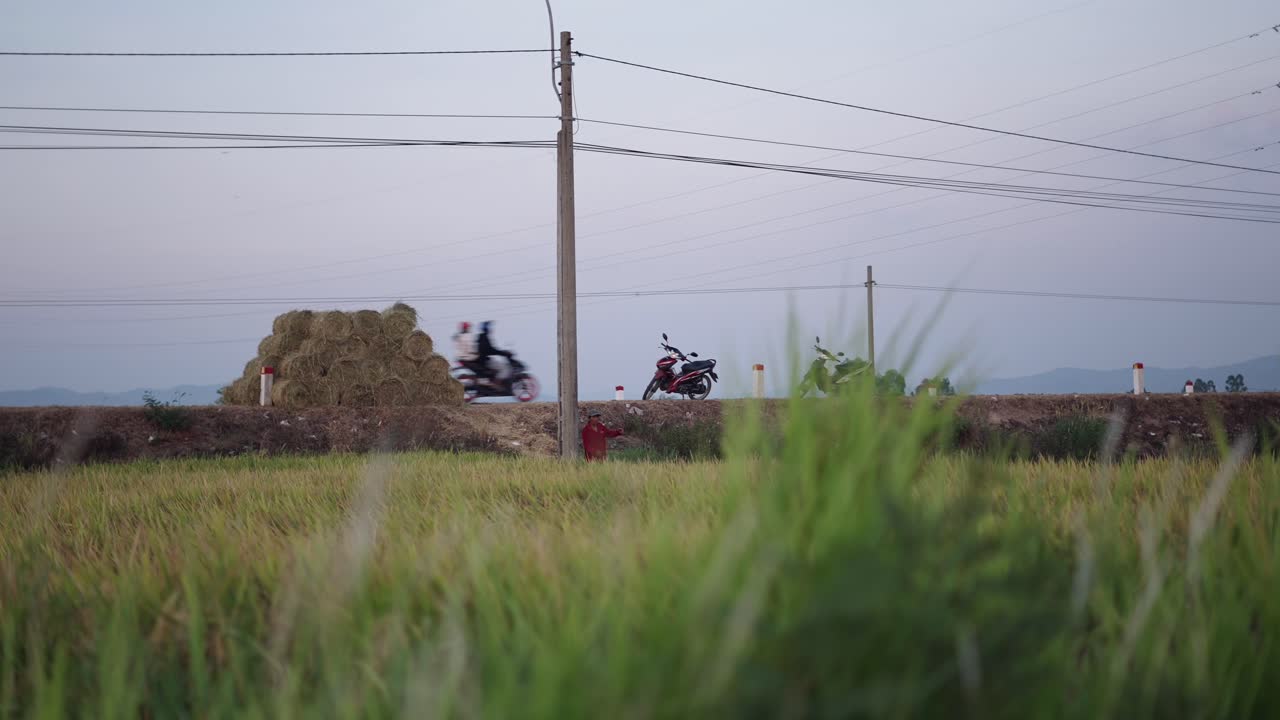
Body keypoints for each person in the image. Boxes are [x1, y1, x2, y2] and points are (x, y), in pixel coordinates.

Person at [475, 320, 514, 387]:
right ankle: (496, 384)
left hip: (484, 359)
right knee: (505, 368)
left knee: (500, 364)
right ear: (486, 328)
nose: (491, 329)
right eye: (490, 327)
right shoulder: (484, 338)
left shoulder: (482, 337)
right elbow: (490, 350)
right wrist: (503, 353)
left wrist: (501, 352)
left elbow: (491, 349)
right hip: (485, 361)